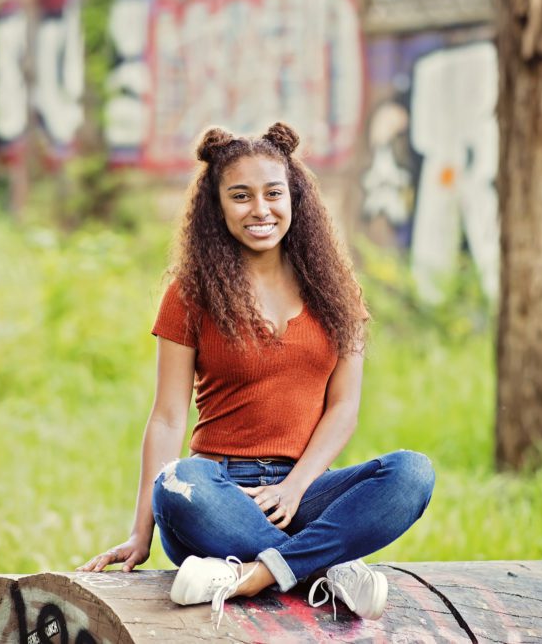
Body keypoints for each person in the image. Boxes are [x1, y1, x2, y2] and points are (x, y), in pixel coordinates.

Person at [78, 122, 435, 624]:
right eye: (240, 196)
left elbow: (344, 408)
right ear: (217, 206)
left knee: (412, 472)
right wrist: (142, 532)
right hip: (221, 494)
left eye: (273, 193)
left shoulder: (336, 291)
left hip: (306, 488)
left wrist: (295, 488)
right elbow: (166, 418)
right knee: (179, 481)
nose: (260, 209)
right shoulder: (190, 294)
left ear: (295, 197)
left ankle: (256, 575)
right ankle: (322, 569)